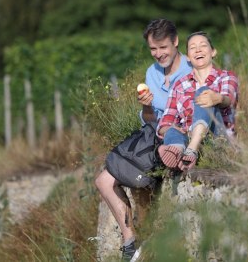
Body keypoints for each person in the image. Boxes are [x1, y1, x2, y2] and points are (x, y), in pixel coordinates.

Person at [94, 19, 191, 261]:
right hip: (151, 134)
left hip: (178, 137)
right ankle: (129, 241)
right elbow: (149, 119)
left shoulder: (191, 69)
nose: (158, 54)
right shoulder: (152, 72)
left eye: (163, 47)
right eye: (153, 49)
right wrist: (147, 107)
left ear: (176, 42)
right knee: (103, 181)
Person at [157, 31, 239, 171]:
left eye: (203, 45)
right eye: (192, 47)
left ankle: (191, 150)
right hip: (186, 138)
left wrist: (217, 98)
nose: (198, 50)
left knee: (204, 93)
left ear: (213, 52)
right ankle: (177, 152)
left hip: (217, 139)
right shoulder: (179, 86)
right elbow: (164, 123)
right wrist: (171, 128)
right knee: (171, 131)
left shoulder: (226, 76)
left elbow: (229, 99)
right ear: (188, 57)